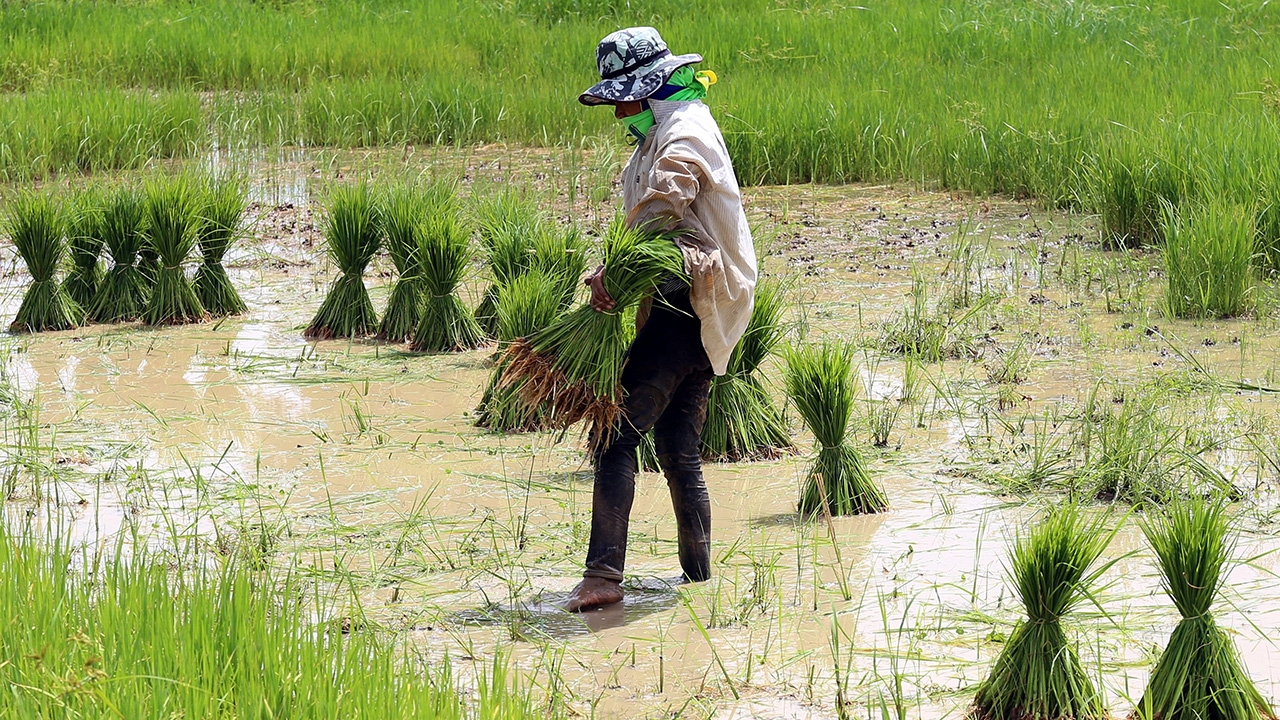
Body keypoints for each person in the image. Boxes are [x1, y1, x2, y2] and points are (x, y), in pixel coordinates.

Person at [565, 27, 757, 612]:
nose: (619, 110)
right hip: (693, 307)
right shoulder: (662, 132)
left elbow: (670, 196)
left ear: (647, 89)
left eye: (624, 96)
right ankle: (698, 580)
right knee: (678, 449)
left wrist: (613, 272)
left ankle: (602, 578)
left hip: (686, 309)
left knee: (614, 437)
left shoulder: (685, 130)